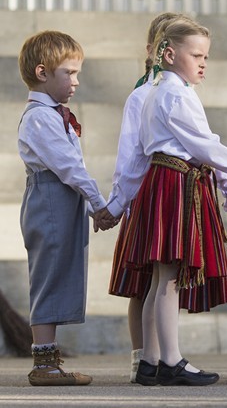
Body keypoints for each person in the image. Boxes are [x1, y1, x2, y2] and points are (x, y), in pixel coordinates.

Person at [105, 17, 227, 386]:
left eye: (206, 56)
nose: (204, 63)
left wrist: (118, 203)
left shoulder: (158, 92)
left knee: (160, 279)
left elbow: (146, 155)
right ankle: (170, 360)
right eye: (197, 55)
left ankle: (151, 361)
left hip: (165, 180)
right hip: (173, 182)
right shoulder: (174, 94)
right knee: (168, 276)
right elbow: (206, 147)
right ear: (168, 54)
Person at [17, 30, 117, 386]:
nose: (76, 81)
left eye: (77, 72)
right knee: (50, 276)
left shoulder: (55, 114)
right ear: (43, 73)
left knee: (59, 274)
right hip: (50, 200)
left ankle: (50, 359)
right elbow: (70, 168)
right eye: (69, 73)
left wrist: (92, 207)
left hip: (62, 198)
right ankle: (43, 364)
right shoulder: (40, 118)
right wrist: (100, 204)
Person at [107, 11, 182, 383]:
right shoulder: (142, 95)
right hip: (147, 193)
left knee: (161, 277)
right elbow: (129, 154)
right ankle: (143, 357)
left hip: (172, 193)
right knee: (144, 280)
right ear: (154, 49)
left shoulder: (179, 92)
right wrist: (119, 201)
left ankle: (158, 356)